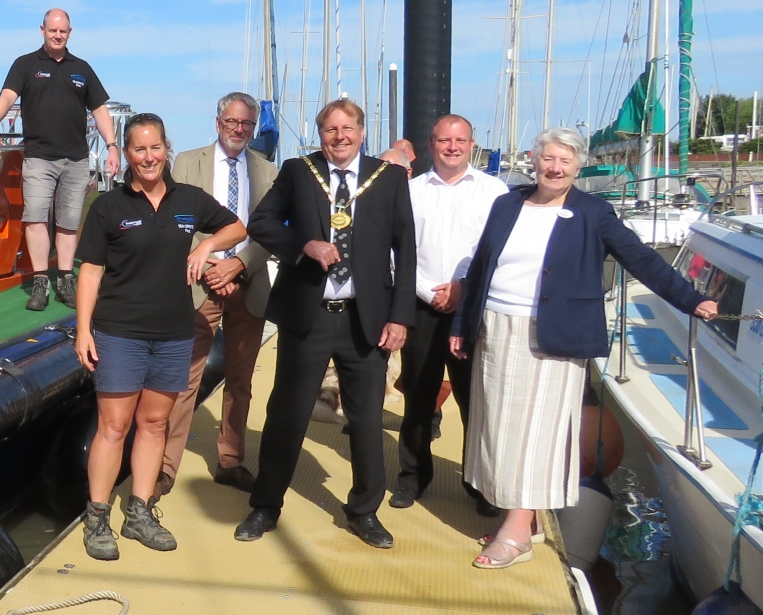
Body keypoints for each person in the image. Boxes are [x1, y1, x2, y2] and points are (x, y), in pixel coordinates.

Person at [450, 127, 717, 569]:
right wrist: (462, 322)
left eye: (565, 161)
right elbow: (481, 266)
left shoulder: (593, 212)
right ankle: (523, 518)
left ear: (577, 167)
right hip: (497, 329)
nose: (555, 168)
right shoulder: (508, 204)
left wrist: (691, 299)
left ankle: (516, 529)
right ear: (534, 161)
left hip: (556, 334)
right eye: (548, 159)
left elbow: (642, 259)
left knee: (535, 431)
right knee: (497, 425)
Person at [236, 99, 416, 549]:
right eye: (330, 129)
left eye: (347, 128)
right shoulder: (300, 171)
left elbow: (406, 248)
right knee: (287, 415)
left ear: (361, 130)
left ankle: (363, 512)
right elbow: (261, 222)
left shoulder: (388, 178)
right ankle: (265, 506)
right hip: (308, 317)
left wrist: (400, 317)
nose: (340, 136)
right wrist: (304, 246)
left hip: (365, 320)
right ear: (320, 134)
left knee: (367, 420)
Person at [73, 114, 246, 561]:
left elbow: (237, 228)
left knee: (154, 425)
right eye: (138, 149)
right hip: (119, 331)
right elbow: (90, 271)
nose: (148, 157)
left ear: (166, 149)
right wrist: (83, 330)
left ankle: (139, 512)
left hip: (173, 332)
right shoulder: (109, 207)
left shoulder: (189, 200)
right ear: (127, 154)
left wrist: (206, 245)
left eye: (155, 148)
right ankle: (97, 516)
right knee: (114, 427)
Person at [154, 92, 279, 502]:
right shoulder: (187, 164)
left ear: (254, 126)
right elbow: (179, 223)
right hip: (198, 284)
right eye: (231, 122)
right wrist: (213, 269)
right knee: (184, 380)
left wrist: (238, 265)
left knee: (240, 381)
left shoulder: (269, 172)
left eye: (246, 124)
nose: (238, 130)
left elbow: (269, 231)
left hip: (249, 282)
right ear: (218, 121)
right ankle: (165, 468)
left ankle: (230, 460)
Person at [391, 115, 508, 518]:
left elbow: (497, 252)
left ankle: (479, 483)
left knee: (474, 399)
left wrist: (462, 287)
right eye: (444, 140)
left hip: (472, 308)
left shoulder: (495, 192)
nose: (452, 147)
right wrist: (428, 290)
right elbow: (396, 251)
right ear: (431, 143)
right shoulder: (410, 191)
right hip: (423, 306)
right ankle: (412, 476)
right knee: (419, 396)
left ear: (472, 143)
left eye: (460, 140)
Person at [0, 8, 120, 311]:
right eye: (52, 30)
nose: (57, 35)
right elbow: (7, 96)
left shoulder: (81, 68)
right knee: (35, 217)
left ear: (70, 33)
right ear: (42, 30)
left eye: (63, 31)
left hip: (76, 158)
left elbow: (99, 110)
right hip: (39, 156)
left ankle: (66, 278)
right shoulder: (26, 64)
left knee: (69, 222)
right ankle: (41, 281)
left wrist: (112, 145)